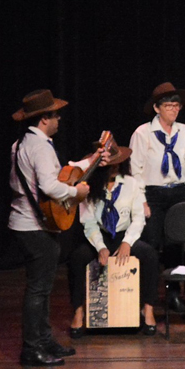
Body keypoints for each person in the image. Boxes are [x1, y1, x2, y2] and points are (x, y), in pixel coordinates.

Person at [8, 89, 93, 366]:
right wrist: (76, 194)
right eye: (55, 115)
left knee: (41, 288)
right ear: (44, 118)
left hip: (26, 223)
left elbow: (48, 176)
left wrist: (89, 161)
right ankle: (32, 347)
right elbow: (48, 185)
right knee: (38, 289)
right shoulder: (41, 146)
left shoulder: (21, 143)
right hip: (33, 226)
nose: (59, 120)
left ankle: (44, 340)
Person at [67, 142, 161, 337]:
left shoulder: (131, 184)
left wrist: (127, 242)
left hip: (123, 235)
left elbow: (138, 218)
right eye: (111, 163)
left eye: (119, 163)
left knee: (149, 255)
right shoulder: (88, 187)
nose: (116, 167)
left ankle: (148, 309)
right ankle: (78, 312)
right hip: (99, 236)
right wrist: (100, 247)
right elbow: (88, 222)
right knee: (77, 257)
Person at [129, 82, 185, 311]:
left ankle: (173, 294)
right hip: (153, 194)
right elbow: (135, 170)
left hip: (177, 191)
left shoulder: (184, 131)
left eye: (176, 105)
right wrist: (142, 201)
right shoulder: (142, 133)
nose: (173, 109)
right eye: (168, 105)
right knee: (150, 245)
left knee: (175, 245)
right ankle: (145, 297)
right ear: (157, 108)